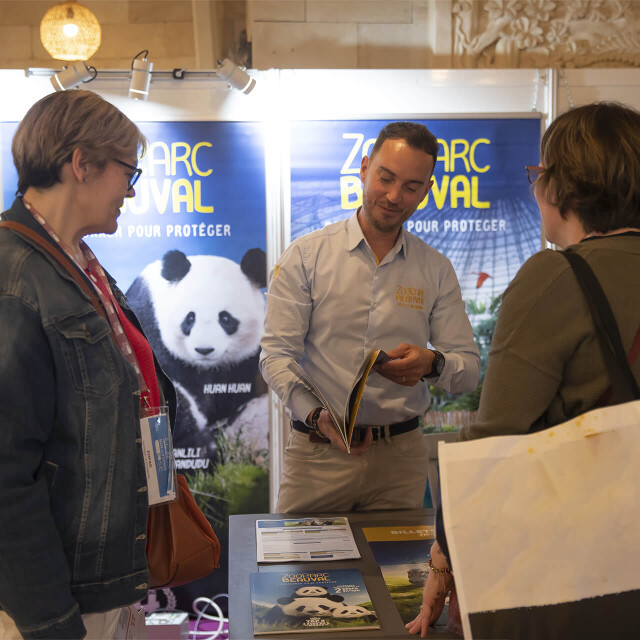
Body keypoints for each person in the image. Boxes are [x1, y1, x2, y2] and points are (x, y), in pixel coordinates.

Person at [407, 101, 640, 637]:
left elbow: (497, 442)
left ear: (563, 188)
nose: (537, 189)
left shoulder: (555, 278)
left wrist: (444, 558)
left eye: (540, 175)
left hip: (586, 569)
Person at [0, 90, 176, 639]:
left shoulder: (79, 264)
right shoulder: (16, 281)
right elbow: (5, 476)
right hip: (57, 599)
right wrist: (51, 621)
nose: (130, 189)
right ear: (81, 163)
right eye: (129, 171)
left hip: (105, 577)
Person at [260, 121, 480, 513]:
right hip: (318, 453)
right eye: (386, 177)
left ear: (426, 191)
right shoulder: (307, 256)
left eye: (411, 186)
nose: (395, 195)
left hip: (401, 459)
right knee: (298, 573)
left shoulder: (436, 268)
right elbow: (276, 356)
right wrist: (316, 416)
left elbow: (468, 370)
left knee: (400, 574)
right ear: (364, 168)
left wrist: (433, 363)